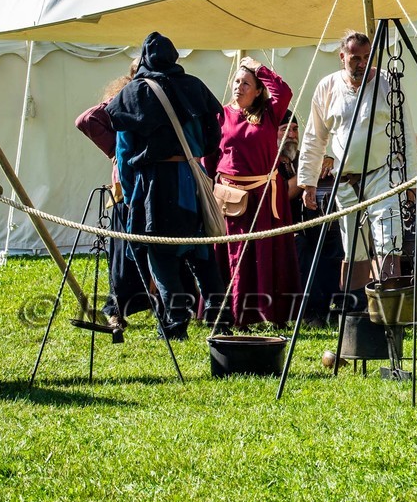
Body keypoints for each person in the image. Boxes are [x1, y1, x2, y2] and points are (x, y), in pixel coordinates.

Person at [103, 32, 225, 340]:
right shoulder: (194, 87)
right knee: (199, 249)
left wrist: (132, 197)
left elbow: (125, 150)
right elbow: (213, 138)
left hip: (154, 184)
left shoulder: (133, 94)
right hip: (190, 175)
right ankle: (218, 315)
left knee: (160, 253)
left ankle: (175, 322)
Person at [297, 29, 416, 292]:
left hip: (384, 175)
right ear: (342, 57)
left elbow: (405, 133)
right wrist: (308, 183)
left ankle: (390, 310)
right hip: (346, 181)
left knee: (389, 242)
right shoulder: (328, 87)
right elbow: (315, 137)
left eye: (366, 57)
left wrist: (409, 184)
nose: (362, 64)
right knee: (354, 248)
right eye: (355, 58)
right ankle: (356, 313)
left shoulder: (387, 82)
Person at [208, 56, 296, 329]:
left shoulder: (269, 112)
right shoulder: (221, 115)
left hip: (264, 196)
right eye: (237, 81)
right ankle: (235, 315)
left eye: (246, 83)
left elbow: (284, 91)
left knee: (268, 253)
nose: (239, 87)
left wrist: (258, 68)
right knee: (236, 255)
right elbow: (210, 157)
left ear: (258, 90)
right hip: (231, 198)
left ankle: (274, 313)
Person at [74, 59, 153, 333]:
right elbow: (87, 120)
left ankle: (162, 305)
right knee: (122, 254)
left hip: (154, 186)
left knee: (155, 250)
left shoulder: (156, 98)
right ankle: (116, 310)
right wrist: (113, 151)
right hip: (126, 191)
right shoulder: (123, 99)